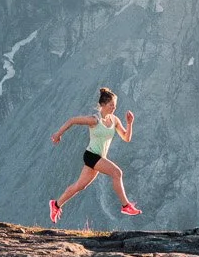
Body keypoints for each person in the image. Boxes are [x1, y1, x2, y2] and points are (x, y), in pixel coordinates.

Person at [49, 87, 138, 225]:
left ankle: (56, 204)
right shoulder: (94, 120)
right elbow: (72, 120)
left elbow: (126, 138)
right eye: (111, 105)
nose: (114, 108)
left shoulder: (114, 120)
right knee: (117, 173)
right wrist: (58, 134)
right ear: (103, 105)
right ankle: (126, 206)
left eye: (115, 106)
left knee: (79, 186)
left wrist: (129, 123)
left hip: (99, 157)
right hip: (91, 156)